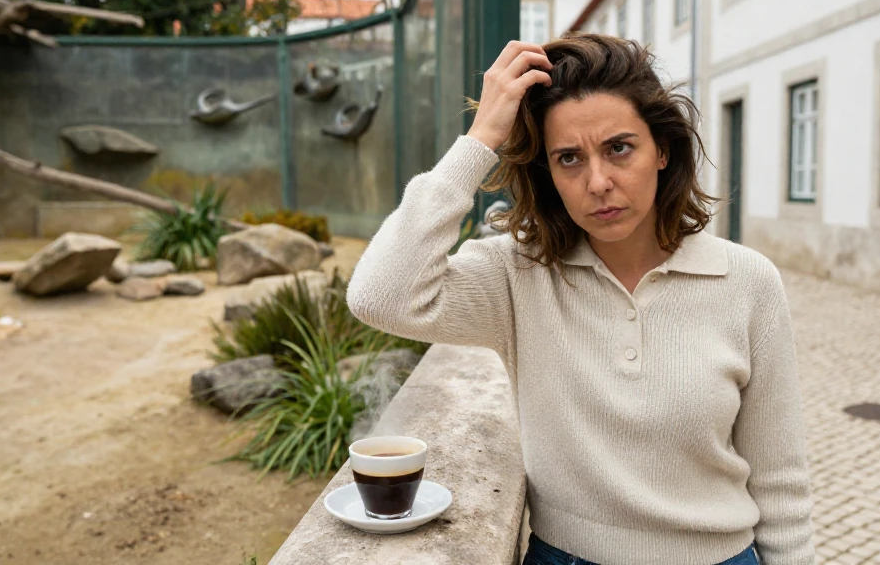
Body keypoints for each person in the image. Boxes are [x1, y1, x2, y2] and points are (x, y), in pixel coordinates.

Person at [347, 34, 816, 565]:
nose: (598, 182)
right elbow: (379, 296)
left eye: (619, 148)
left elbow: (780, 481)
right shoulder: (519, 273)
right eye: (569, 158)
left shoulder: (747, 281)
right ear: (549, 174)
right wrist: (480, 139)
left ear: (662, 150)